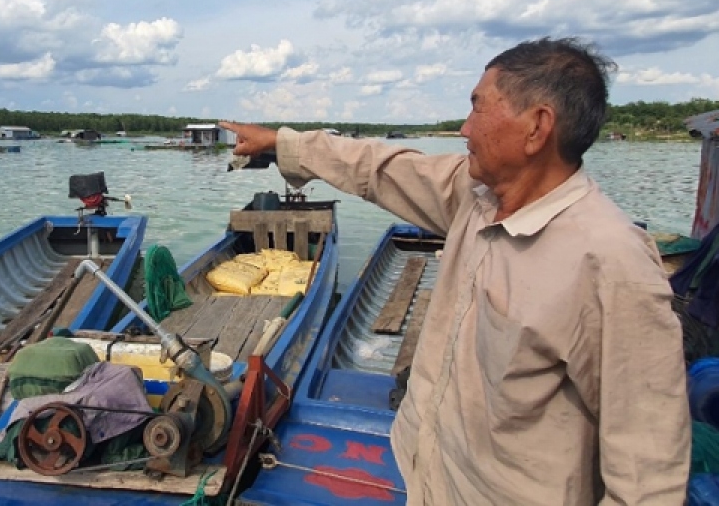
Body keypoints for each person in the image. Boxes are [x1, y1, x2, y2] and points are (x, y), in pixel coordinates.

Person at [221, 37, 689, 505]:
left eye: (478, 108)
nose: (465, 128)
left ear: (537, 127)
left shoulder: (610, 265)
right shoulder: (478, 199)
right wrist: (283, 144)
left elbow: (647, 478)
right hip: (430, 482)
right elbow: (380, 167)